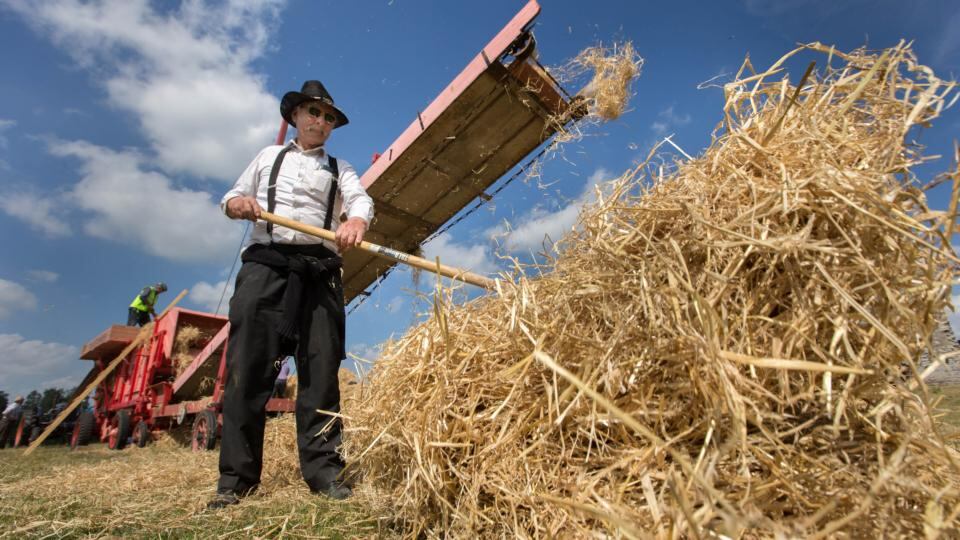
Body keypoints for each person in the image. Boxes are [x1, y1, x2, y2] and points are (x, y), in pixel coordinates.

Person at [208, 80, 373, 509]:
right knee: (248, 372)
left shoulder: (341, 169)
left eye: (328, 117)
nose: (321, 122)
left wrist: (355, 222)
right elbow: (230, 197)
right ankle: (236, 482)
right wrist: (238, 205)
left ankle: (324, 475)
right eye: (313, 113)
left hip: (320, 273)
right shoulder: (267, 156)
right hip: (266, 267)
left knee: (320, 375)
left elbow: (360, 201)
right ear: (296, 116)